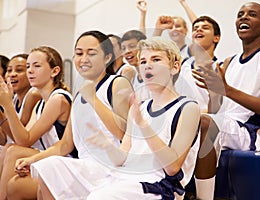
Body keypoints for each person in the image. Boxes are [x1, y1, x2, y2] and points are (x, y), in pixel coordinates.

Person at [25, 36, 200, 199]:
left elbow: (172, 167)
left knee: (98, 197)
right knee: (49, 167)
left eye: (156, 60)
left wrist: (143, 125)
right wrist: (105, 146)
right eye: (143, 61)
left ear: (175, 67)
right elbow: (122, 158)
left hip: (158, 185)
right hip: (125, 176)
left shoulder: (188, 108)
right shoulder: (140, 107)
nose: (147, 65)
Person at [13, 30, 133, 199]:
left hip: (112, 167)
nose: (83, 58)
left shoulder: (117, 84)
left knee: (49, 171)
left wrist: (94, 100)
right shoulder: (79, 95)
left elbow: (125, 133)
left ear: (107, 58)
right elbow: (65, 145)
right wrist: (33, 159)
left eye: (91, 53)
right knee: (46, 172)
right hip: (86, 167)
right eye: (79, 53)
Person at [192, 2, 260, 199]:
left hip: (246, 132)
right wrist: (214, 94)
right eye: (240, 14)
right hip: (224, 125)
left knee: (205, 122)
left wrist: (227, 90)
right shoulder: (228, 62)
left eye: (252, 14)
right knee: (186, 118)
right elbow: (216, 109)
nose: (244, 17)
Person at [0, 46, 74, 199]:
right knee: (11, 149)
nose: (30, 71)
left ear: (54, 71)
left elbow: (24, 141)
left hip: (66, 161)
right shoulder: (42, 103)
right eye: (28, 67)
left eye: (37, 66)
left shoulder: (58, 99)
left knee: (13, 152)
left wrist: (7, 105)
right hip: (52, 159)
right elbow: (21, 138)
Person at [0, 53, 41, 179]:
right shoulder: (15, 98)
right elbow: (4, 138)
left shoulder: (33, 95)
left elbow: (18, 139)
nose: (12, 74)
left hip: (37, 151)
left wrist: (4, 108)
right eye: (9, 70)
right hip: (20, 149)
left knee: (10, 149)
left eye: (19, 70)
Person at [175, 15, 221, 113]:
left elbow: (221, 107)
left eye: (205, 28)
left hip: (204, 122)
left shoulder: (221, 68)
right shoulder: (182, 64)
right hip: (179, 122)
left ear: (216, 38)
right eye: (195, 28)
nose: (199, 29)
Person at [121, 29, 150, 101]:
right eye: (123, 48)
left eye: (132, 46)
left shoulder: (154, 74)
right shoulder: (133, 79)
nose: (127, 51)